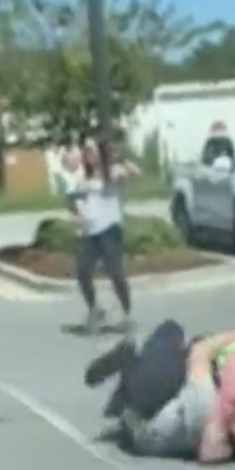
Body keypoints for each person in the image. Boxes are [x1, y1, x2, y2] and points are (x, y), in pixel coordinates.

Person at [83, 320, 235, 463]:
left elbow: (200, 353)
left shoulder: (212, 403)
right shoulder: (228, 410)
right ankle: (127, 380)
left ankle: (128, 368)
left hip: (146, 426)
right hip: (166, 410)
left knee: (171, 332)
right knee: (173, 360)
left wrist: (234, 335)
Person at [65, 138, 140, 333]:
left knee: (115, 273)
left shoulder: (112, 172)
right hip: (90, 232)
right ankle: (95, 309)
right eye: (86, 151)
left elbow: (135, 173)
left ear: (100, 152)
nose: (88, 155)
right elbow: (74, 201)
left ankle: (127, 313)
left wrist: (120, 161)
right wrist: (77, 211)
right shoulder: (83, 178)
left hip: (109, 229)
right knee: (82, 272)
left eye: (92, 150)